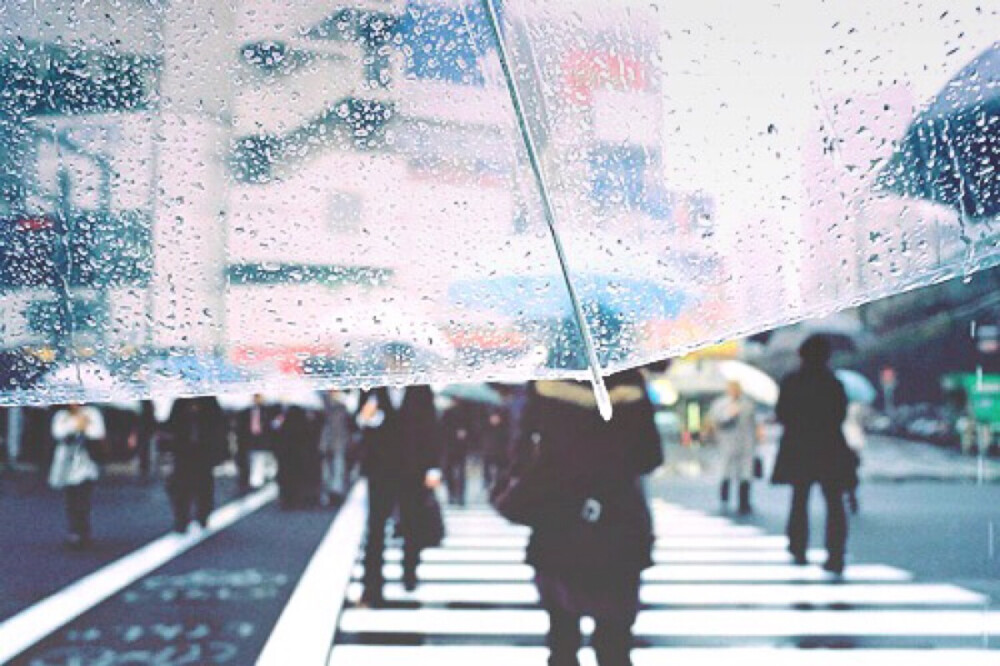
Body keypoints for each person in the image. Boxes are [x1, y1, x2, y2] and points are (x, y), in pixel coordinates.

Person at [511, 369, 663, 666]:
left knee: (562, 640)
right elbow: (650, 455)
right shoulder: (630, 384)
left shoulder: (545, 383)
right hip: (617, 521)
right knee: (615, 643)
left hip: (559, 520)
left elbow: (521, 451)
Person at [356, 345, 440, 607]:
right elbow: (358, 424)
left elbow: (431, 430)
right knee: (376, 530)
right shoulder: (371, 388)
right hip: (380, 470)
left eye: (402, 361)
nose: (397, 366)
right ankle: (372, 587)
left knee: (412, 524)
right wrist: (367, 418)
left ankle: (410, 570)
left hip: (412, 470)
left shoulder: (421, 389)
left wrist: (433, 467)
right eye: (392, 360)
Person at [772, 335, 858, 575]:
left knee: (799, 499)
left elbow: (782, 414)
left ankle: (798, 547)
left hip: (799, 447)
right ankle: (835, 553)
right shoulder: (833, 383)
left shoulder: (791, 382)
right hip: (829, 448)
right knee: (834, 502)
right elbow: (840, 414)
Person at [164, 396, 226, 533]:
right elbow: (172, 425)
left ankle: (203, 515)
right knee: (181, 489)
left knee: (204, 487)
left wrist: (218, 453)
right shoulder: (180, 401)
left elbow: (218, 427)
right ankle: (182, 519)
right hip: (183, 453)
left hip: (203, 452)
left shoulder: (209, 401)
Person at [49, 403, 105, 548]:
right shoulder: (62, 416)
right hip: (67, 464)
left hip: (86, 462)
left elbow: (98, 433)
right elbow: (58, 433)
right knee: (71, 499)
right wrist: (75, 425)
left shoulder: (92, 413)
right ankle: (74, 529)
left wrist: (85, 426)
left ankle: (83, 530)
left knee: (83, 498)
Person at [706, 380, 759, 515]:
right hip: (727, 442)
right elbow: (715, 421)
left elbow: (753, 424)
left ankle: (744, 502)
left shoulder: (747, 404)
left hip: (746, 443)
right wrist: (729, 415)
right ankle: (724, 497)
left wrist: (756, 439)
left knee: (745, 473)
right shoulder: (720, 404)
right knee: (726, 471)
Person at [319, 389, 356, 506]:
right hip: (328, 434)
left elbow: (352, 408)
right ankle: (328, 490)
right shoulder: (323, 396)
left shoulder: (345, 397)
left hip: (340, 434)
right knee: (326, 463)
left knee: (339, 463)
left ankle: (336, 491)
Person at [235, 394, 274, 493]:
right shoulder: (246, 411)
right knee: (247, 461)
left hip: (262, 440)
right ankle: (246, 483)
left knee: (259, 459)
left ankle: (257, 482)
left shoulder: (268, 411)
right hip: (248, 440)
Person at [842, 400, 867, 514]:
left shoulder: (852, 411)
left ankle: (849, 496)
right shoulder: (855, 410)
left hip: (844, 448)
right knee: (851, 476)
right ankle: (851, 497)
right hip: (851, 447)